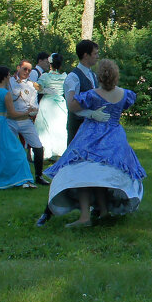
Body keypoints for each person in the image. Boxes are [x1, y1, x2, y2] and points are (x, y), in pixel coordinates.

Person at [44, 59, 145, 227]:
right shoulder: (124, 94)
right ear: (116, 76)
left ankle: (85, 216)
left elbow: (73, 106)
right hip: (114, 138)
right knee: (100, 175)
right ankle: (103, 211)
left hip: (90, 138)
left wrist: (72, 94)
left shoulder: (92, 94)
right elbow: (124, 105)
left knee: (82, 173)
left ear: (99, 76)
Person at [35, 40, 109, 226]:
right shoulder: (73, 78)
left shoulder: (91, 75)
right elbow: (71, 105)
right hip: (78, 131)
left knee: (95, 168)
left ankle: (99, 208)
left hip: (92, 131)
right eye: (95, 53)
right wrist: (91, 113)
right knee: (70, 170)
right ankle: (48, 211)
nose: (97, 56)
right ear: (85, 55)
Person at [7, 59, 45, 186]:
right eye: (25, 69)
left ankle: (39, 175)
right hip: (10, 120)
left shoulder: (31, 86)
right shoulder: (9, 82)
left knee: (38, 147)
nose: (27, 72)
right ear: (18, 68)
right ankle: (13, 176)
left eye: (29, 70)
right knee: (12, 148)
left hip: (25, 120)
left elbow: (34, 104)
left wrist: (34, 110)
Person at [34, 52, 69, 159]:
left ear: (50, 64)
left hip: (47, 103)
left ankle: (44, 152)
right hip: (60, 103)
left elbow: (38, 88)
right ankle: (59, 151)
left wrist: (43, 89)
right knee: (59, 127)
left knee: (44, 127)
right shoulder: (65, 77)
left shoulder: (45, 76)